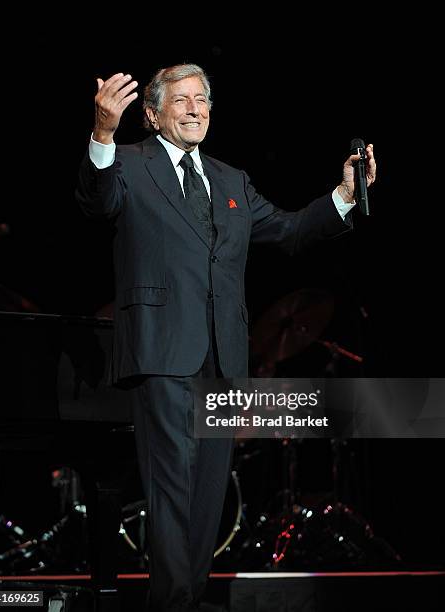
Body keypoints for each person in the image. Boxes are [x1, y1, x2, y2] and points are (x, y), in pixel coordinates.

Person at [76, 63, 376, 611]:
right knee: (172, 490)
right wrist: (101, 133)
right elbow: (96, 200)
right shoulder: (128, 164)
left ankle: (186, 600)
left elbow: (288, 232)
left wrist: (344, 195)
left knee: (208, 496)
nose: (196, 109)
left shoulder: (231, 179)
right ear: (152, 113)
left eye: (204, 100)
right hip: (162, 350)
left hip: (223, 352)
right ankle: (172, 602)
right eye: (183, 100)